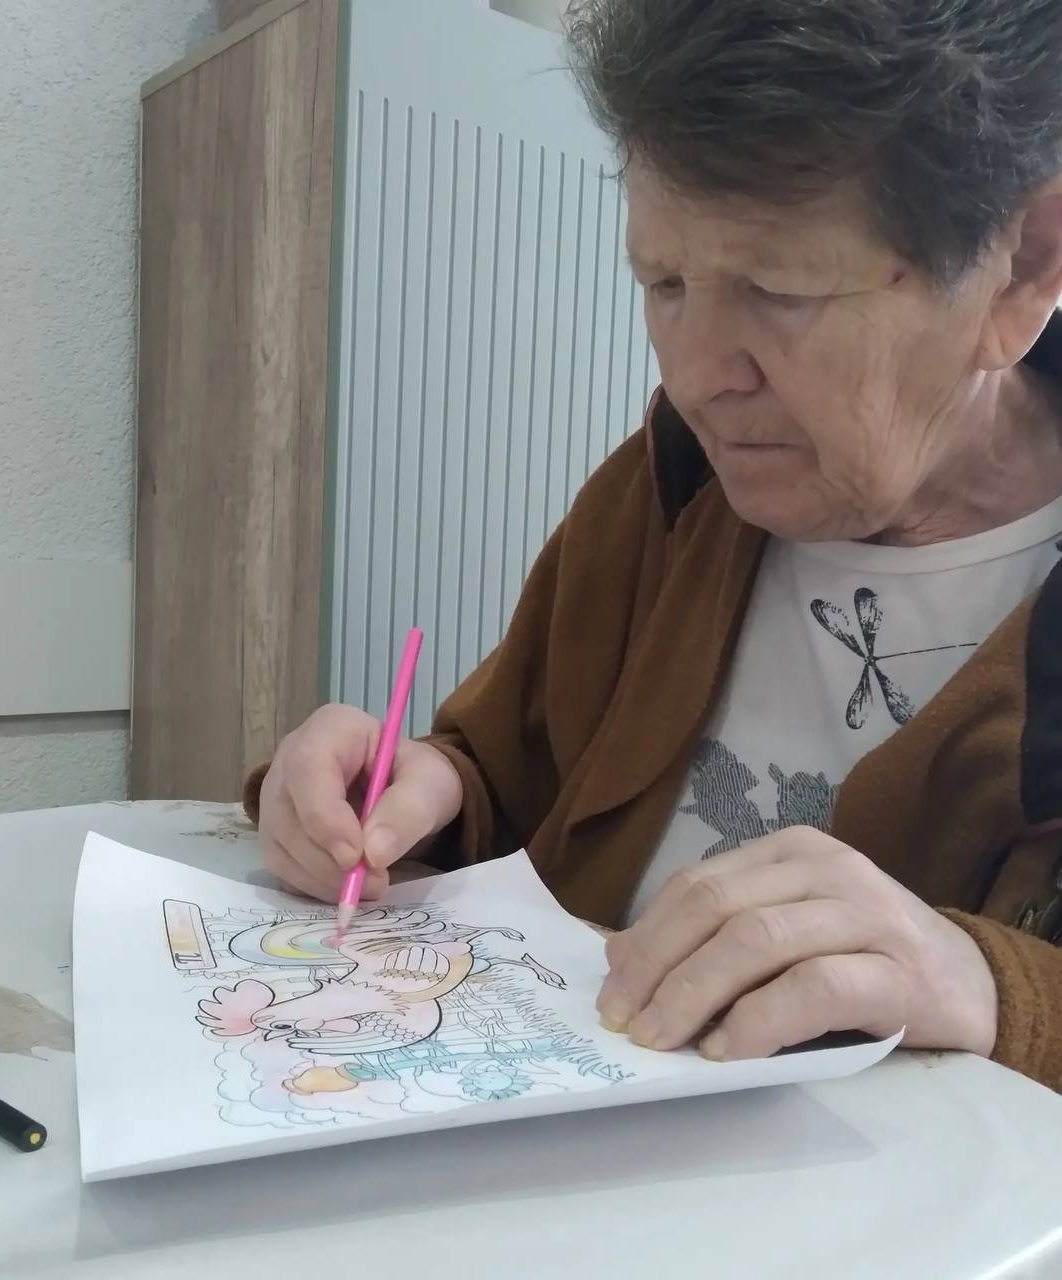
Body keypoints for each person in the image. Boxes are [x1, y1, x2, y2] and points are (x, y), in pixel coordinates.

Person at [247, 0, 1062, 1091]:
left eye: (778, 291)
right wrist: (414, 789)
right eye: (663, 283)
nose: (694, 376)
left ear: (1022, 268)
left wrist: (985, 983)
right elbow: (510, 773)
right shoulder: (675, 486)